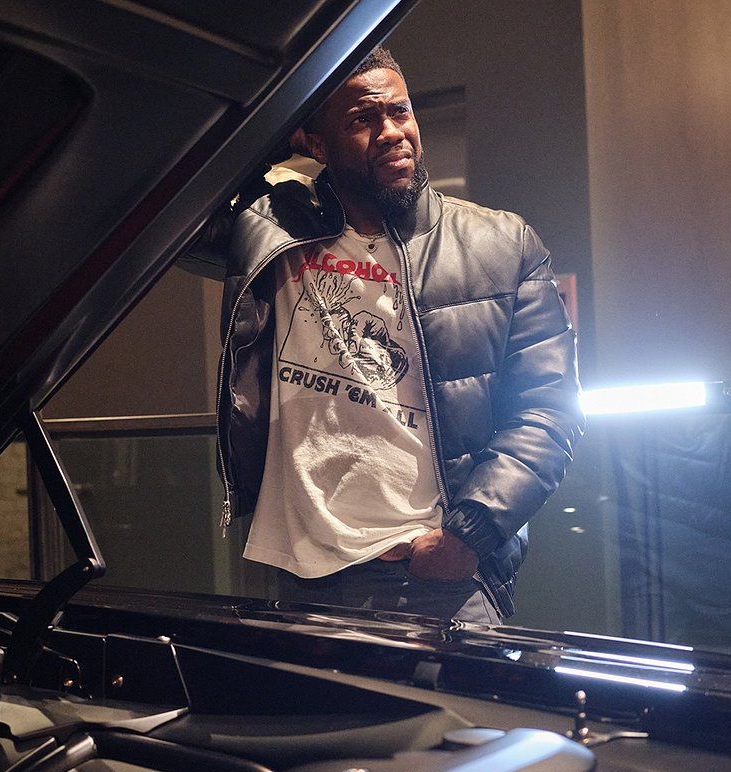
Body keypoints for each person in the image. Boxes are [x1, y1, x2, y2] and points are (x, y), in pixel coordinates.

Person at [182, 47, 582, 622]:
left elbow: (550, 407)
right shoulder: (270, 228)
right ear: (315, 144)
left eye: (400, 111)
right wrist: (276, 132)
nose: (392, 132)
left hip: (433, 574)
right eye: (362, 120)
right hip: (297, 571)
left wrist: (469, 533)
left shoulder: (501, 243)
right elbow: (176, 215)